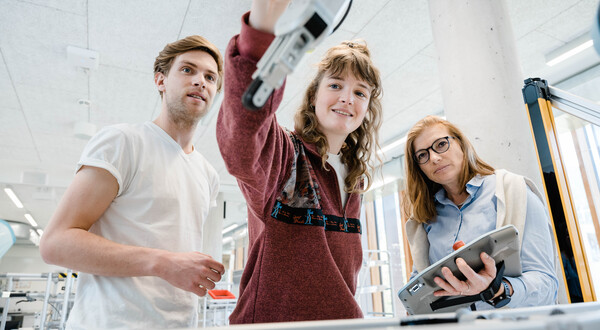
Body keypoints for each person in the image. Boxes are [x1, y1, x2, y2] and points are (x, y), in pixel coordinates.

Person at [39, 35, 226, 329]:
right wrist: (163, 263)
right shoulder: (123, 142)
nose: (200, 81)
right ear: (160, 80)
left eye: (210, 77)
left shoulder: (207, 173)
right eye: (188, 70)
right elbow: (55, 243)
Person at [216, 0, 383, 323]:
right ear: (313, 97)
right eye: (335, 86)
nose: (348, 98)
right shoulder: (287, 157)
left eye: (360, 92)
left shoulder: (354, 179)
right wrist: (261, 34)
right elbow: (241, 143)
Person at [403, 115, 558, 310]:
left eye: (441, 144)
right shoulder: (425, 218)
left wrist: (497, 289)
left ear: (460, 144)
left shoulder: (513, 191)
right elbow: (421, 285)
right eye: (422, 155)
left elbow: (546, 285)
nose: (434, 158)